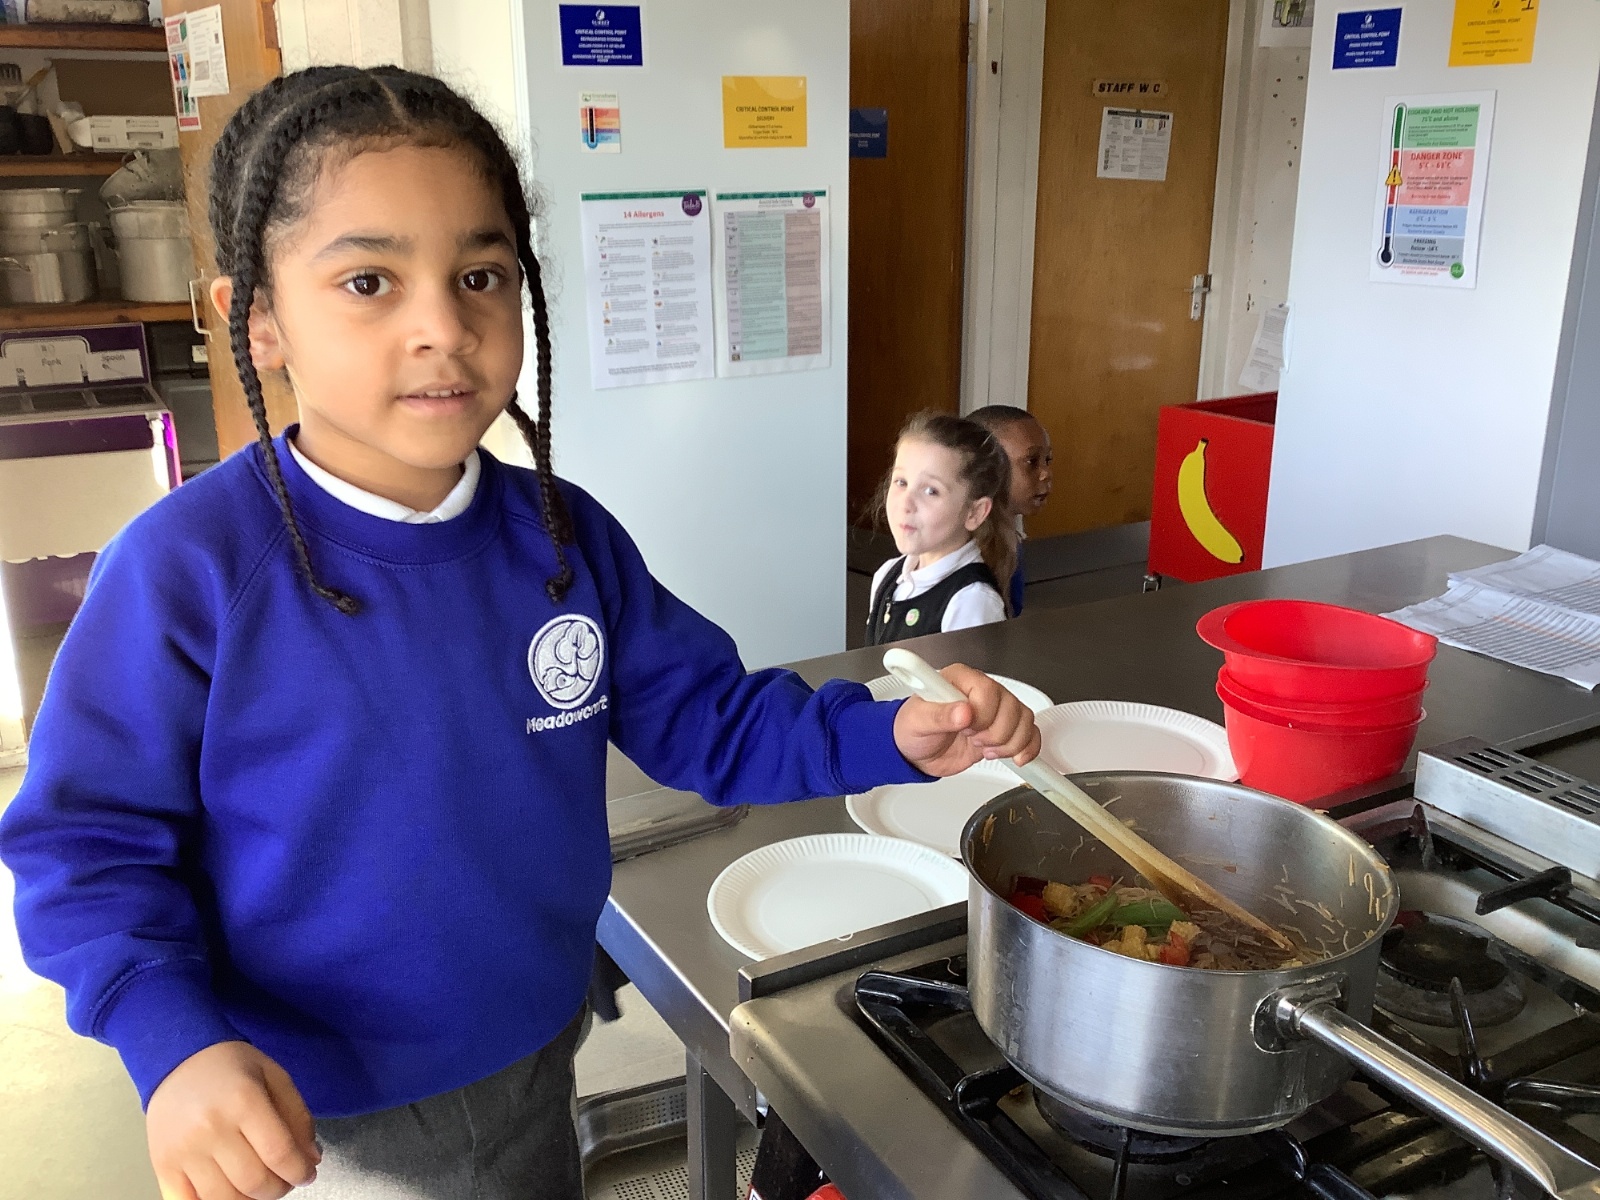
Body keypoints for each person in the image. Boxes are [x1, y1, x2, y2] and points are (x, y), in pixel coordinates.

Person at [0, 67, 1041, 1200]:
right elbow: (86, 845)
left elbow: (710, 717)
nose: (444, 328)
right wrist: (172, 1041)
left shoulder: (559, 535)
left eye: (480, 275)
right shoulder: (187, 569)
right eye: (368, 281)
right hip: (305, 1112)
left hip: (532, 1049)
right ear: (258, 318)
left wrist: (889, 734)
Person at [866, 411, 1016, 645]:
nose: (906, 503)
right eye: (901, 482)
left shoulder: (970, 602)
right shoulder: (887, 575)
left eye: (931, 491)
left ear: (975, 513)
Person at [968, 405, 1054, 616]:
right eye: (1031, 462)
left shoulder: (1009, 542)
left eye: (1047, 460)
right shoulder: (969, 558)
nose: (1046, 473)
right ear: (985, 468)